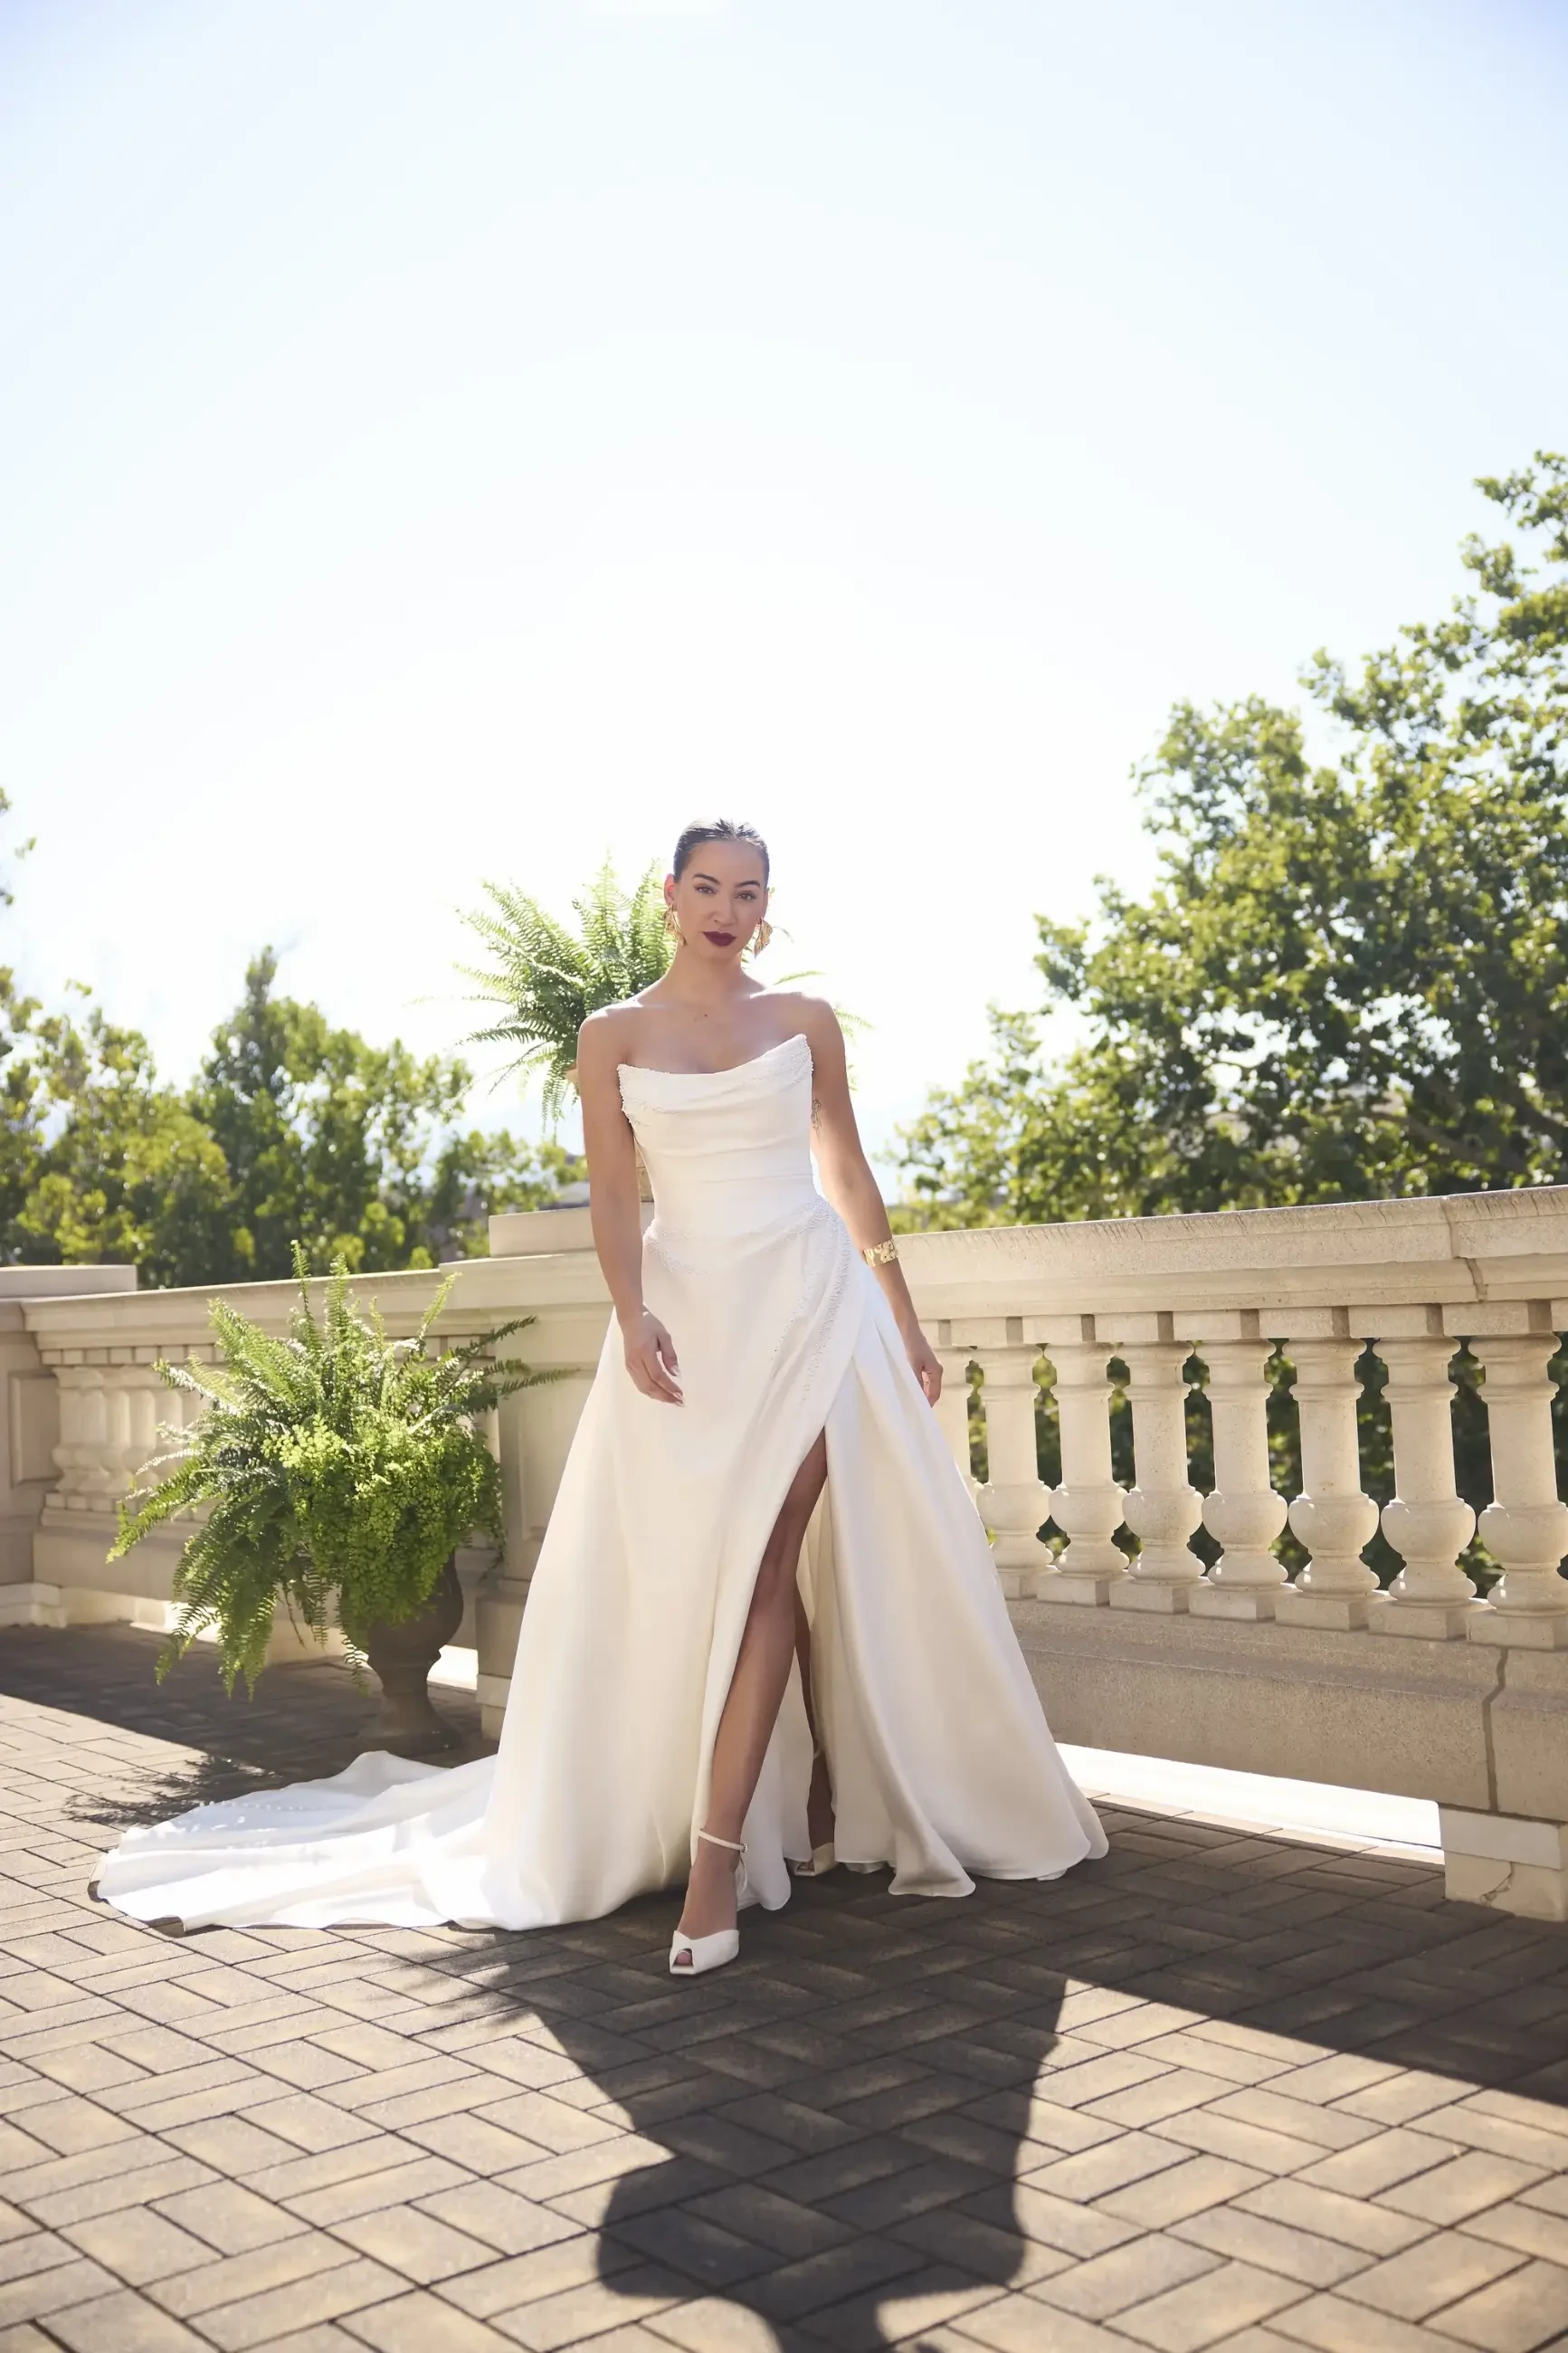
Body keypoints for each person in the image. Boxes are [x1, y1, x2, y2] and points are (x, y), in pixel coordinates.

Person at [93, 819, 1106, 1961]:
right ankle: (815, 1794)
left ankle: (715, 1867)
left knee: (772, 1549)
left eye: (750, 892)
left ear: (768, 906)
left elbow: (848, 1171)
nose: (728, 909)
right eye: (709, 887)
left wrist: (905, 1322)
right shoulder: (610, 1034)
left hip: (817, 1308)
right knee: (738, 1563)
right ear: (669, 895)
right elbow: (613, 1194)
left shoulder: (802, 1020)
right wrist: (632, 1315)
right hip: (693, 1321)